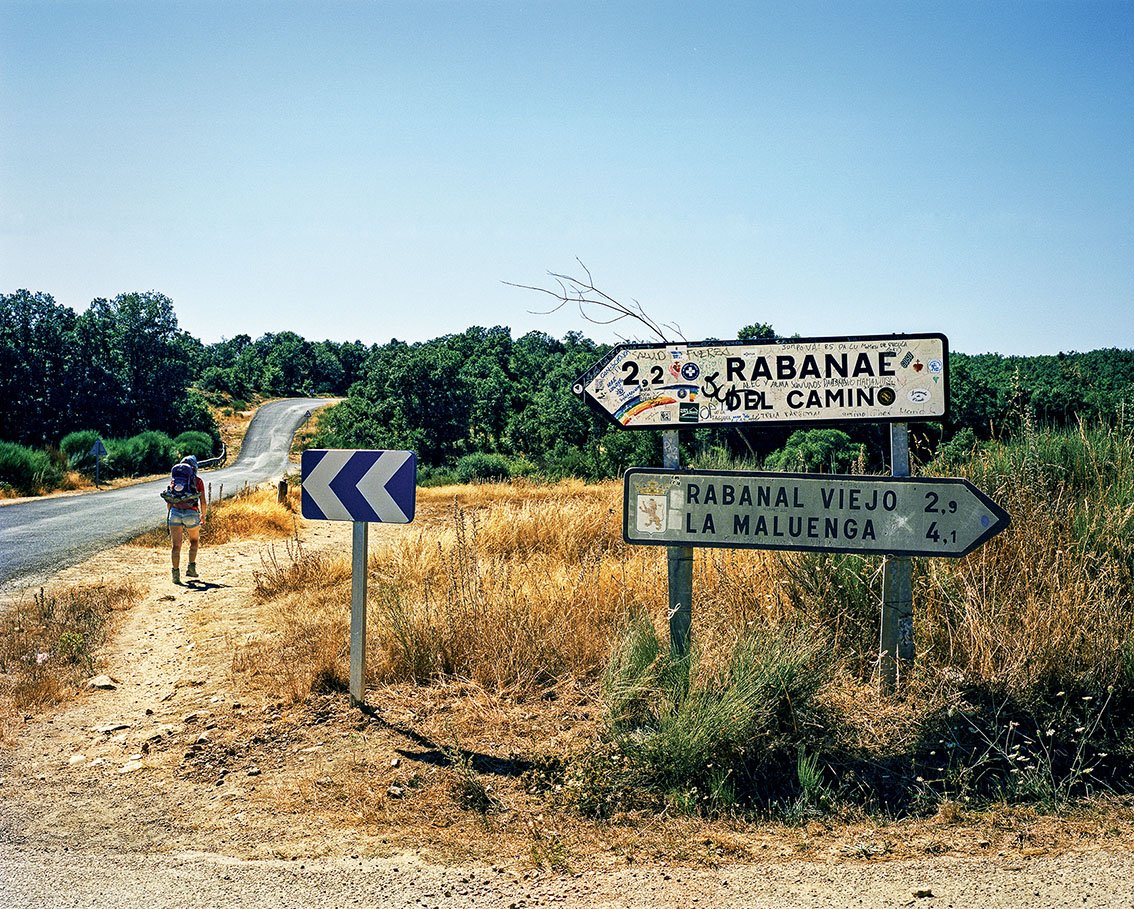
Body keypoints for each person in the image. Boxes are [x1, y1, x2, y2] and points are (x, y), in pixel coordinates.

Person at [166, 455, 207, 584]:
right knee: (194, 541)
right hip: (192, 513)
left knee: (176, 546)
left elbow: (170, 500)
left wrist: (171, 513)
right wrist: (203, 516)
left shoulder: (174, 480)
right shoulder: (198, 481)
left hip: (175, 513)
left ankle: (175, 575)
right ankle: (191, 568)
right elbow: (203, 502)